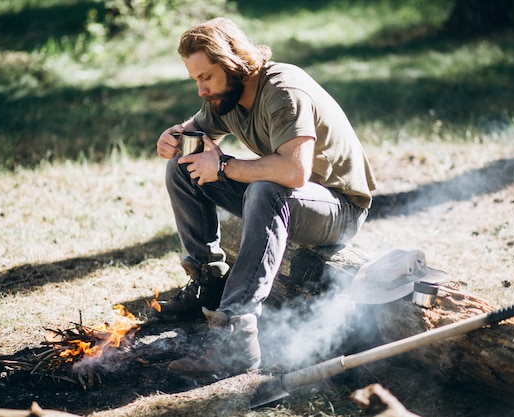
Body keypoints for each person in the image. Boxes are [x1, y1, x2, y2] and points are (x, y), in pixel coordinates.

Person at [155, 17, 376, 380]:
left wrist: (223, 165)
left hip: (339, 208)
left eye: (205, 77)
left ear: (232, 63)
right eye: (195, 79)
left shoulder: (283, 92)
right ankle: (208, 283)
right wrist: (174, 136)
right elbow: (194, 130)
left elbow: (293, 172)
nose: (200, 90)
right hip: (290, 197)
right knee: (183, 167)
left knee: (267, 187)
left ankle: (236, 339)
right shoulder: (226, 95)